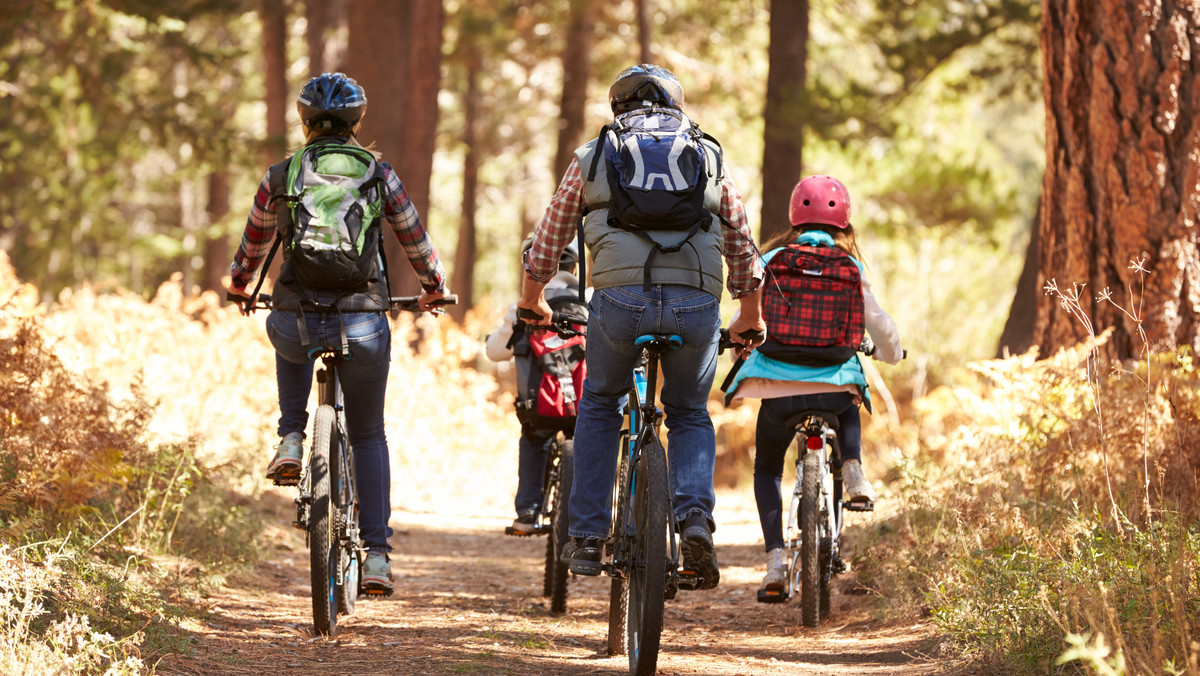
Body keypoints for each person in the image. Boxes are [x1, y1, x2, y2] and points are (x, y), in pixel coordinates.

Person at [519, 64, 765, 591]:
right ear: (677, 106)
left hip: (619, 302)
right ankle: (694, 518)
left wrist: (532, 301)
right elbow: (741, 240)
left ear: (617, 108)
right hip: (696, 303)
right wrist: (750, 313)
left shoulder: (595, 154)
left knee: (601, 403)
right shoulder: (709, 154)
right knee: (690, 412)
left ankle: (586, 537)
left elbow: (549, 239)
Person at [227, 72, 448, 595]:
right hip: (363, 317)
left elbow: (253, 245)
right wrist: (434, 286)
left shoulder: (282, 175)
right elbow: (414, 238)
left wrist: (240, 286)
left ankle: (291, 435)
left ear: (304, 122)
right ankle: (375, 557)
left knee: (290, 331)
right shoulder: (379, 174)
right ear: (356, 123)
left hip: (295, 314)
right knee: (369, 434)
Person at [723, 174, 903, 597]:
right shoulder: (851, 267)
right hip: (833, 385)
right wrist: (892, 354)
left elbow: (746, 319)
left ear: (794, 218)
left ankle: (772, 564)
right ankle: (853, 470)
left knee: (767, 469)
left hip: (777, 388)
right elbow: (882, 327)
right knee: (849, 401)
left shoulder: (772, 260)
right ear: (843, 223)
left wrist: (737, 351)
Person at [484, 235, 588, 534]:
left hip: (539, 406)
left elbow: (494, 352)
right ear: (573, 265)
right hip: (586, 404)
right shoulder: (590, 298)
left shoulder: (523, 307)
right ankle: (591, 519)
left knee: (534, 438)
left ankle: (528, 513)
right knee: (592, 442)